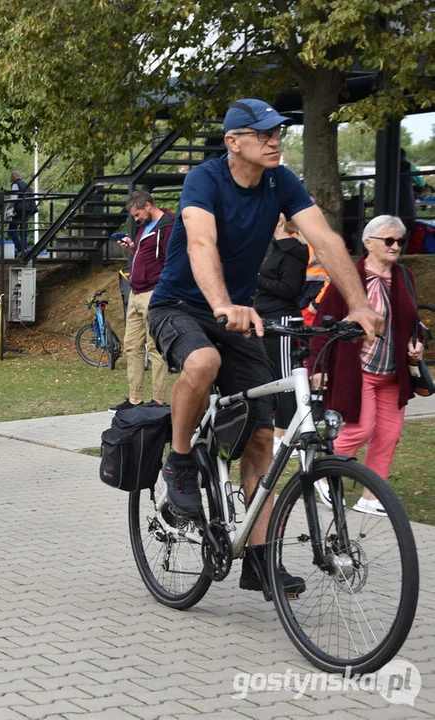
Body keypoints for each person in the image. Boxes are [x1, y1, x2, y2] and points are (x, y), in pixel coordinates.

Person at [147, 98, 383, 596]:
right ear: (234, 142)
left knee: (260, 439)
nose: (276, 140)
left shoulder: (281, 182)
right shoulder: (205, 180)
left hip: (240, 313)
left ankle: (258, 559)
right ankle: (181, 458)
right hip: (181, 306)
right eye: (264, 134)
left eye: (278, 132)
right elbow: (200, 245)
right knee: (203, 360)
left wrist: (359, 305)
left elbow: (327, 239)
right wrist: (221, 304)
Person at [310, 215, 424, 515]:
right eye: (389, 240)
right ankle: (323, 474)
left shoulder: (405, 277)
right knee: (360, 429)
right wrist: (317, 368)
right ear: (368, 242)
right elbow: (325, 323)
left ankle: (372, 498)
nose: (396, 246)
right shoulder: (349, 277)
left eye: (400, 240)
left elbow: (413, 322)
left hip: (393, 373)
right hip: (357, 369)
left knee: (389, 435)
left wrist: (417, 344)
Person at [111, 189, 173, 412]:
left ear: (148, 205)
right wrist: (133, 247)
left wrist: (163, 291)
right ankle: (134, 398)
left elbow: (170, 261)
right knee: (132, 346)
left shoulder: (167, 227)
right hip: (135, 292)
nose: (136, 219)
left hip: (153, 293)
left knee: (154, 347)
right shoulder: (144, 229)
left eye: (137, 214)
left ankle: (157, 400)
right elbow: (147, 256)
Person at [253, 214, 309, 455]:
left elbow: (289, 289)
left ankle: (289, 433)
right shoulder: (270, 247)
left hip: (284, 319)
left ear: (278, 221)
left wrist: (258, 280)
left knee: (288, 379)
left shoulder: (295, 250)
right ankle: (278, 430)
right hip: (265, 319)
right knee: (272, 377)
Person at [7, 171, 32, 257]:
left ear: (14, 177)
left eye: (10, 178)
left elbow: (13, 198)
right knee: (24, 230)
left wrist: (9, 208)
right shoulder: (26, 185)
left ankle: (20, 249)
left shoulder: (15, 185)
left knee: (11, 230)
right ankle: (24, 249)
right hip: (28, 210)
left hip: (19, 210)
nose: (10, 180)